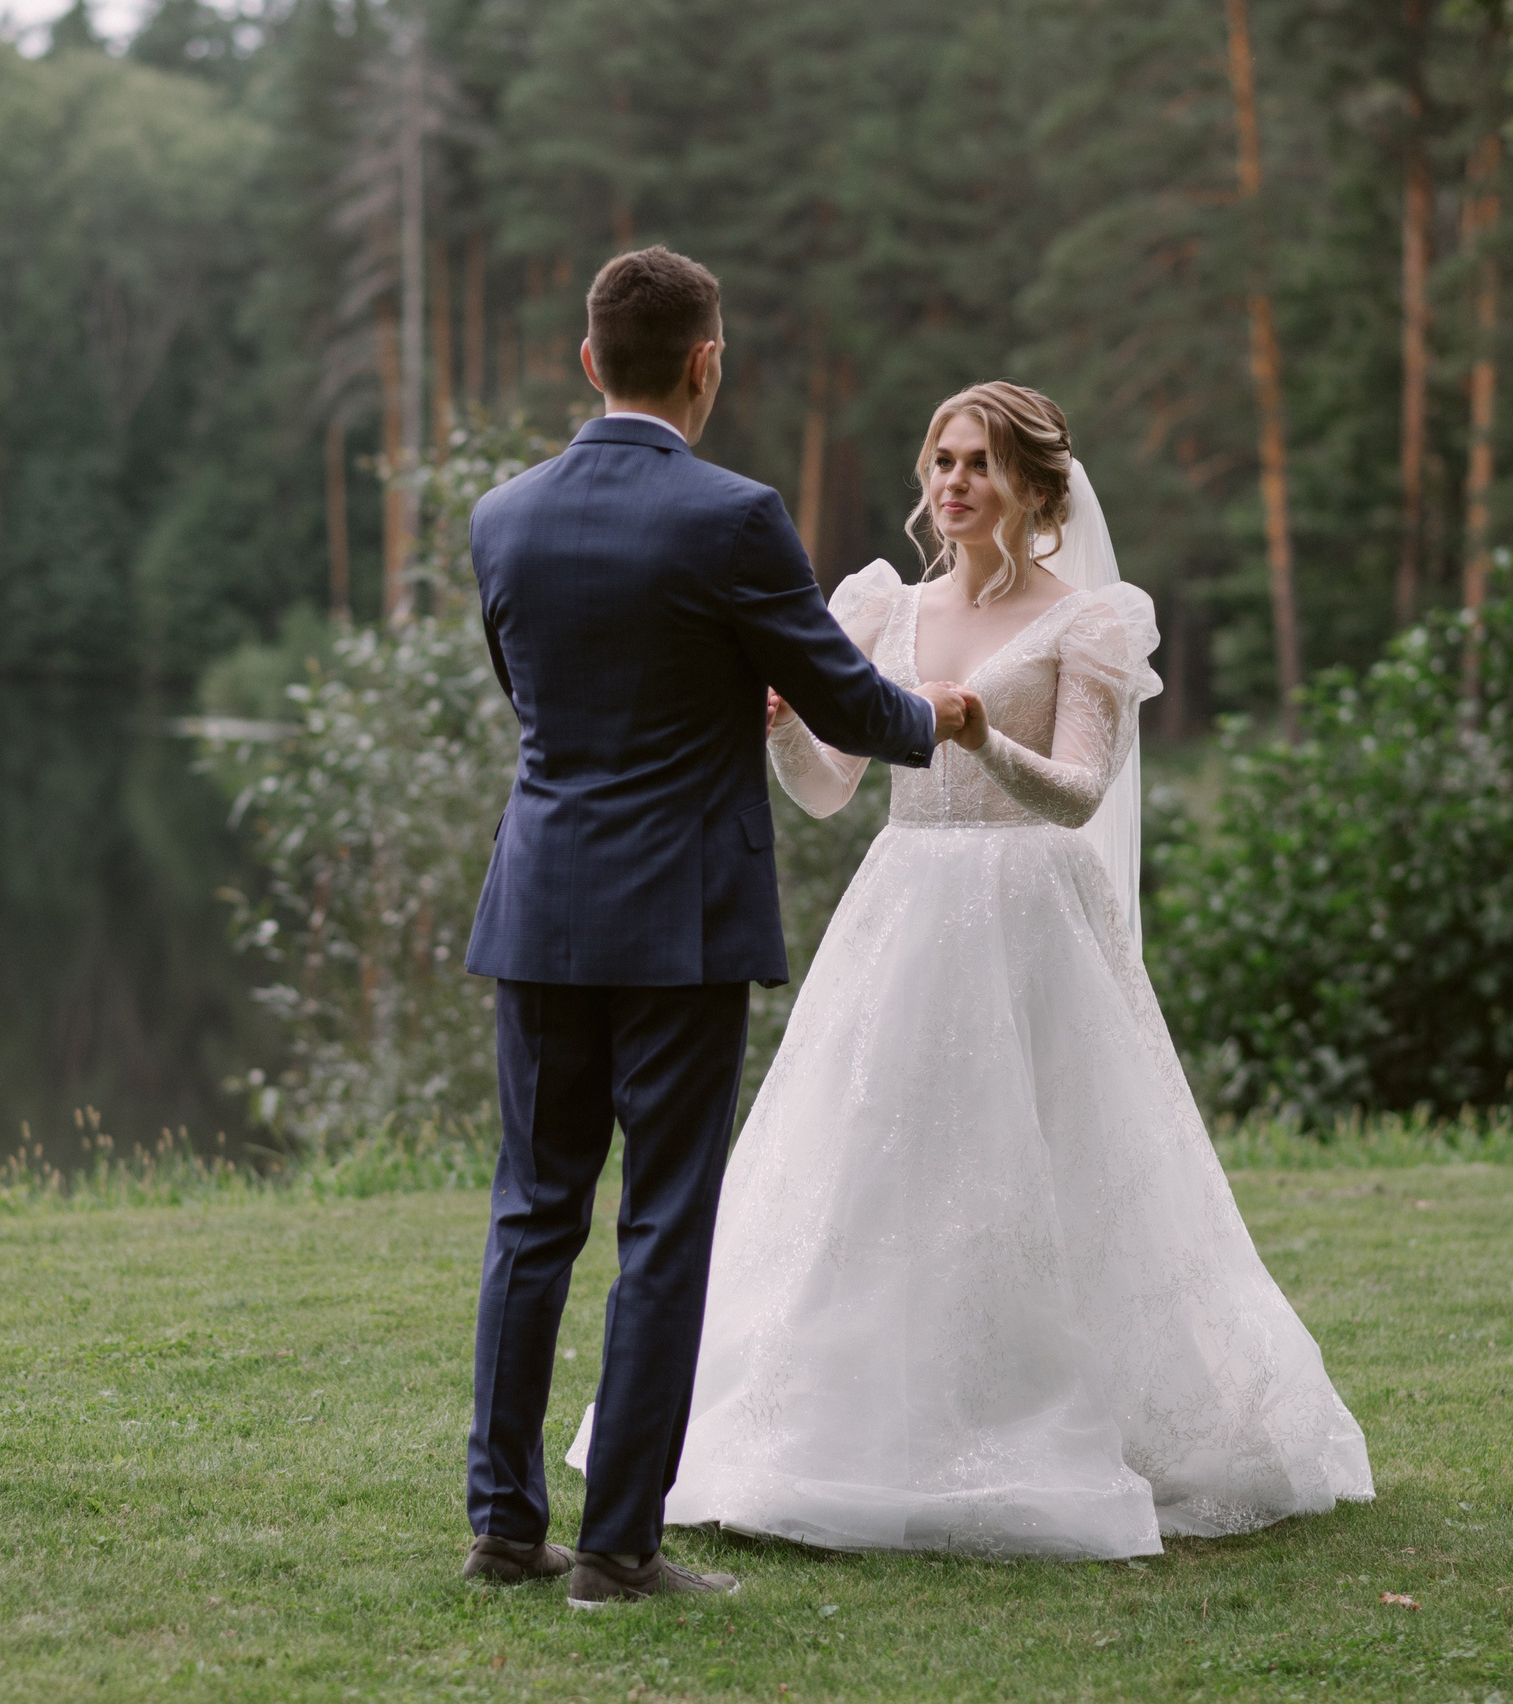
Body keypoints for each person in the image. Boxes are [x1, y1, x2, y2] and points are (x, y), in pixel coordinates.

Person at [569, 381, 1374, 1557]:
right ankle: (849, 1427)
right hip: (904, 902)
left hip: (1027, 910)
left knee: (1043, 1171)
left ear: (1035, 490)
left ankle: (1054, 1417)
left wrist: (975, 729)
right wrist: (784, 725)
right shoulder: (882, 611)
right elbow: (833, 792)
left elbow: (1079, 791)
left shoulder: (1089, 622)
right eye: (940, 460)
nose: (950, 483)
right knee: (869, 1172)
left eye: (978, 465)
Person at [458, 248, 982, 1606]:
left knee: (531, 1217)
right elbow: (849, 703)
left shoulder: (501, 516)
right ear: (706, 363)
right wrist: (941, 719)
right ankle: (620, 1549)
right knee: (666, 1227)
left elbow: (535, 695)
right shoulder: (734, 517)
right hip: (679, 919)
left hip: (538, 904)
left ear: (591, 362)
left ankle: (505, 1528)